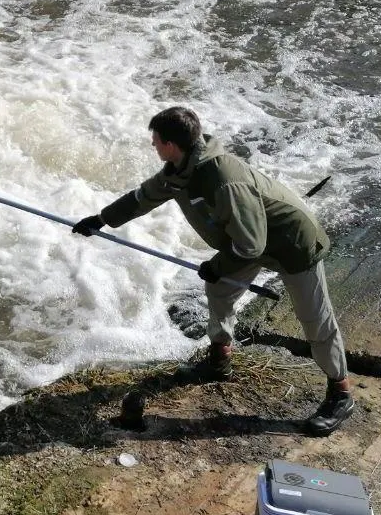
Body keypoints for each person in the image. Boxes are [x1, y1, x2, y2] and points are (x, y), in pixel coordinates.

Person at [72, 106, 354, 436]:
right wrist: (102, 220)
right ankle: (219, 359)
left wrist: (217, 264)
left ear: (171, 144)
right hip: (250, 238)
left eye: (156, 140)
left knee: (315, 321)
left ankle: (341, 394)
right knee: (220, 290)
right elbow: (143, 197)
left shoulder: (222, 181)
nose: (153, 145)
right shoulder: (179, 171)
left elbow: (250, 245)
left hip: (292, 245)